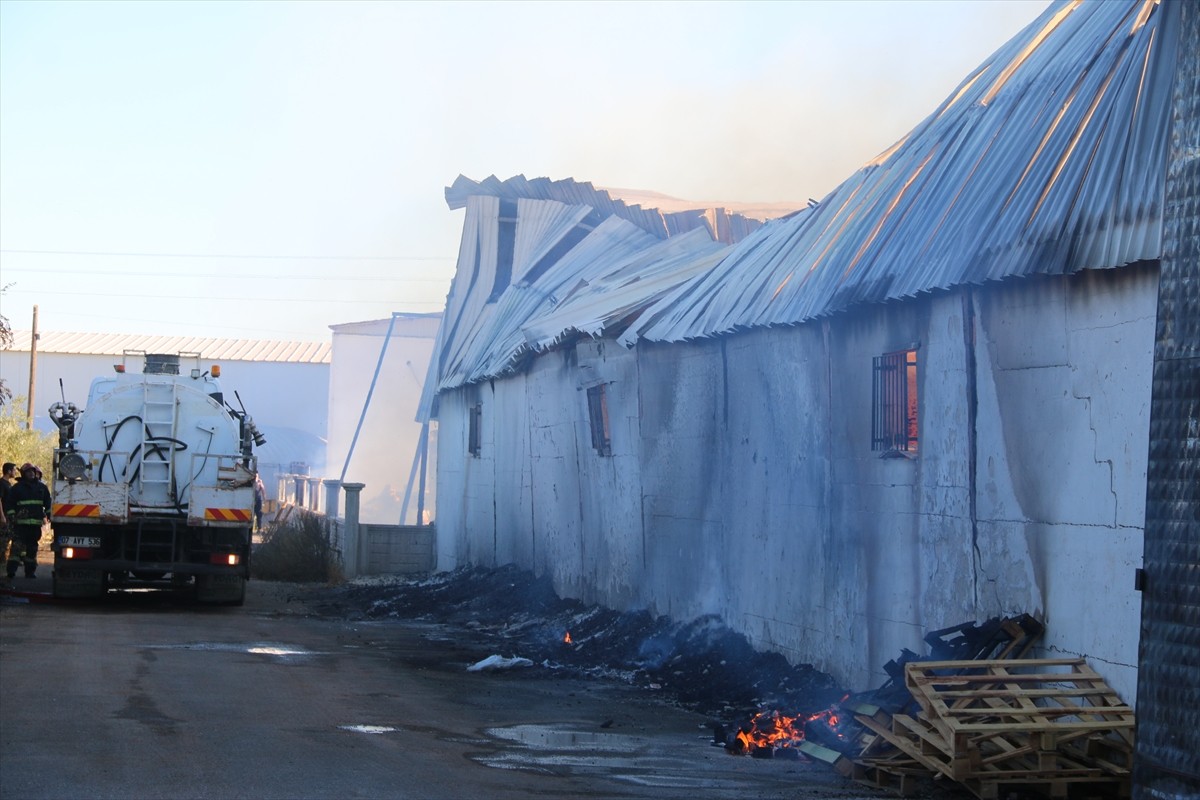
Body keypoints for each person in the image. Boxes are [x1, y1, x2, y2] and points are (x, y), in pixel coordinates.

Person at [5, 463, 52, 580]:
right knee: (16, 550)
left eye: (33, 471)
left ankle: (30, 572)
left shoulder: (42, 488)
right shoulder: (16, 488)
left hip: (35, 526)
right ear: (23, 474)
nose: (31, 473)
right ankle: (11, 572)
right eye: (28, 472)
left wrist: (50, 514)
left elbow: (48, 503)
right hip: (20, 526)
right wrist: (11, 516)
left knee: (32, 550)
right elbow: (9, 504)